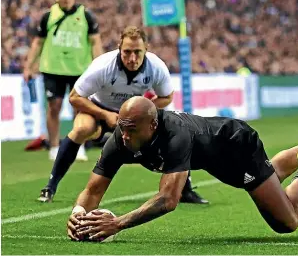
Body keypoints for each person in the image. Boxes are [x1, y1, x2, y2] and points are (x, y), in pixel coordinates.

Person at [67, 96, 298, 241]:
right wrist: (78, 216)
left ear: (153, 125)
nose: (124, 136)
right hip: (214, 157)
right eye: (121, 128)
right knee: (268, 176)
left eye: (131, 129)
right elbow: (93, 189)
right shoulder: (120, 139)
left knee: (286, 222)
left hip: (236, 144)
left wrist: (117, 223)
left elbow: (169, 200)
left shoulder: (175, 135)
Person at [38, 26, 208, 205]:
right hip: (100, 110)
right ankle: (51, 186)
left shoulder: (156, 66)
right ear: (119, 48)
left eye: (137, 52)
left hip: (134, 114)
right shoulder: (103, 66)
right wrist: (105, 115)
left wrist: (143, 112)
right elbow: (74, 97)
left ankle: (185, 189)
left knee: (172, 131)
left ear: (146, 50)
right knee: (81, 128)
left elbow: (167, 97)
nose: (132, 58)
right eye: (127, 52)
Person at [23, 0, 103, 161]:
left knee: (80, 109)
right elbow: (37, 43)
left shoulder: (86, 16)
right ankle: (53, 147)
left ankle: (79, 146)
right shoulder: (48, 16)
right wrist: (29, 66)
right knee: (54, 107)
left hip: (79, 70)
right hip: (53, 69)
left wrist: (98, 67)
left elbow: (95, 42)